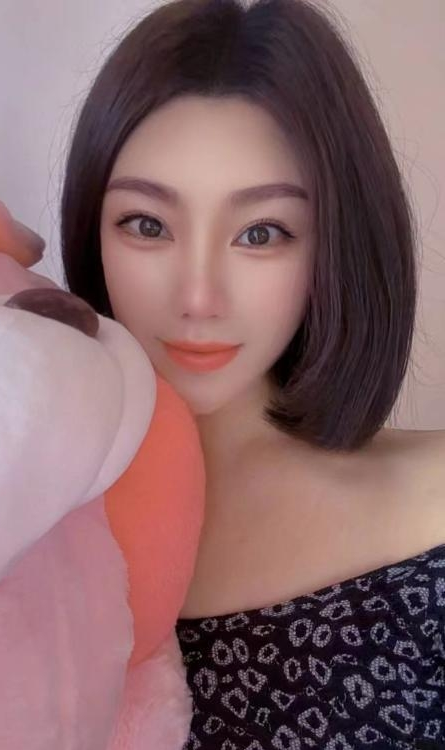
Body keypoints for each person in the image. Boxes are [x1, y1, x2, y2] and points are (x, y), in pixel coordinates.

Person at [60, 0, 445, 746]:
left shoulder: (433, 515)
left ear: (334, 242)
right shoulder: (34, 527)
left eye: (261, 233)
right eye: (147, 224)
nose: (199, 297)